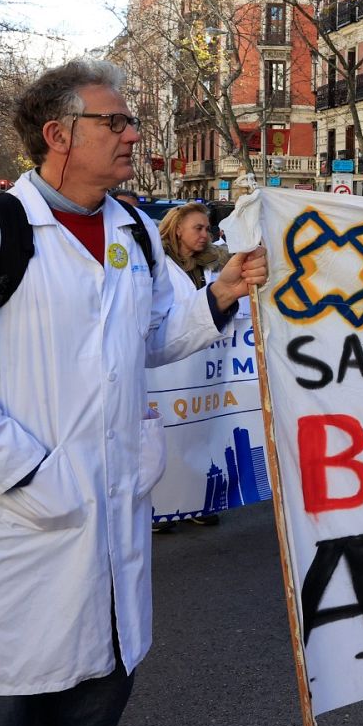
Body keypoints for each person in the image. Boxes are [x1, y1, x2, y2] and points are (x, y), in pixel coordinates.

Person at [0, 59, 267, 726]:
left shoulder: (136, 232)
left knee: (92, 712)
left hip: (114, 527)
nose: (133, 135)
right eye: (114, 122)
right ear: (58, 134)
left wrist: (222, 293)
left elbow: (154, 338)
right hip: (17, 531)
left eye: (130, 121)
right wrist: (27, 475)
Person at [156, 203, 235, 530]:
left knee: (201, 433)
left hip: (207, 366)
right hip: (166, 369)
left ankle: (197, 501)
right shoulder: (156, 265)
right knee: (166, 437)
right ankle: (161, 507)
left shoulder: (215, 265)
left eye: (208, 228)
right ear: (177, 230)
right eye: (198, 228)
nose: (206, 235)